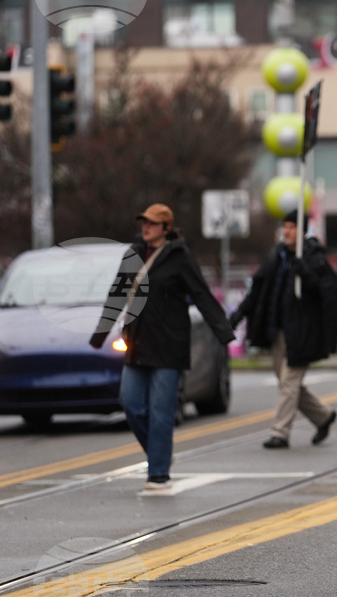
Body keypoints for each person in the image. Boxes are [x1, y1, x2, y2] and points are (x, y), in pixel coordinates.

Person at [91, 203, 236, 490]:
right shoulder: (132, 254)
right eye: (144, 222)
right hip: (138, 342)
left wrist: (224, 332)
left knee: (161, 410)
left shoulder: (181, 257)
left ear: (166, 229)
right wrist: (101, 332)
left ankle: (158, 472)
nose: (146, 227)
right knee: (131, 403)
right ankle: (159, 455)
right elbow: (117, 295)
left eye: (153, 223)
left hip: (169, 345)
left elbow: (202, 295)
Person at [228, 209, 337, 449]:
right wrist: (238, 315)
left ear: (303, 231)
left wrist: (306, 273)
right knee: (287, 384)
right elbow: (258, 291)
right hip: (278, 331)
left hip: (303, 332)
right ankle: (323, 416)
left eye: (292, 227)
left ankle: (280, 432)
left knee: (289, 383)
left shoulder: (314, 258)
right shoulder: (276, 257)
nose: (287, 231)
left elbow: (329, 292)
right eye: (285, 227)